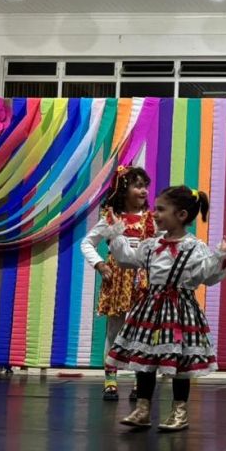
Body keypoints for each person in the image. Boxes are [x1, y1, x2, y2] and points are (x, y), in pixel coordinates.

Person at [105, 185, 226, 431]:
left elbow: (207, 276)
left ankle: (179, 411)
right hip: (150, 308)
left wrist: (220, 257)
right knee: (145, 357)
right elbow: (128, 259)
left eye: (160, 209)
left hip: (180, 311)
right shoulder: (150, 245)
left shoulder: (194, 247)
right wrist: (116, 234)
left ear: (181, 215)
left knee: (180, 362)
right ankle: (143, 409)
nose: (154, 214)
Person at [80, 165, 155, 401]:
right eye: (138, 186)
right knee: (115, 329)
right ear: (124, 189)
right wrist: (100, 265)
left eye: (145, 186)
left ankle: (139, 380)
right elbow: (87, 243)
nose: (144, 191)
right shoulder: (112, 218)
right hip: (118, 278)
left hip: (144, 279)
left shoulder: (152, 219)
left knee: (142, 330)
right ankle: (110, 379)